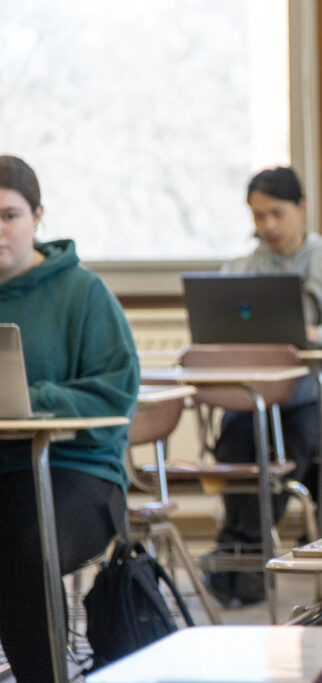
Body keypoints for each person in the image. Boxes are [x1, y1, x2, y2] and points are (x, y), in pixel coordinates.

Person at [205, 166, 322, 607]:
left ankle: (240, 554)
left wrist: (313, 334)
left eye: (276, 213)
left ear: (302, 208)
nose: (267, 226)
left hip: (319, 399)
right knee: (236, 439)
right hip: (256, 401)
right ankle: (244, 553)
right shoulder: (239, 270)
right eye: (258, 216)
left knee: (290, 440)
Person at [0, 155, 140, 681]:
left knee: (23, 544)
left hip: (79, 474)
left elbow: (115, 392)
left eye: (9, 215)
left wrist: (30, 399)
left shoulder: (83, 293)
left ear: (37, 216)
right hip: (5, 472)